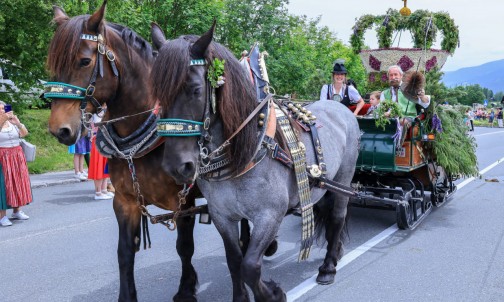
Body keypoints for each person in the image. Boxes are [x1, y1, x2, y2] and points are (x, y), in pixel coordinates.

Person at [380, 65, 431, 146]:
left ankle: (396, 147)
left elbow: (425, 104)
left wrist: (422, 96)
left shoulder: (409, 89)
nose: (393, 77)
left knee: (401, 122)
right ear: (388, 77)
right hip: (390, 118)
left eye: (395, 74)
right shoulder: (384, 93)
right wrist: (385, 114)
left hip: (407, 117)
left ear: (401, 76)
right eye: (391, 75)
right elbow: (381, 109)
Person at [0, 101, 32, 226]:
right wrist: (2, 120)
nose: (3, 111)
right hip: (3, 156)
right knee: (4, 186)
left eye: (4, 108)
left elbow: (24, 133)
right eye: (0, 109)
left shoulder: (11, 122)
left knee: (17, 182)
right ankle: (2, 216)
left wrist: (18, 123)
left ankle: (17, 210)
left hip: (17, 155)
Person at [88, 105, 113, 200]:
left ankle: (104, 190)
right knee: (98, 167)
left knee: (105, 167)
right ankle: (98, 192)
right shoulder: (95, 114)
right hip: (98, 141)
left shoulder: (105, 112)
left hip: (105, 141)